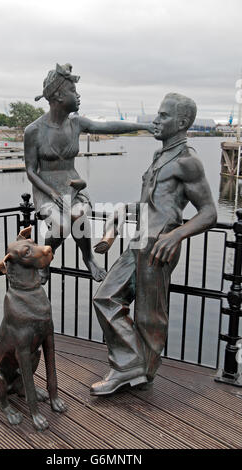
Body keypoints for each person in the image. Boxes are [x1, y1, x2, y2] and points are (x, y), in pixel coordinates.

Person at [90, 92, 217, 396]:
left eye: (163, 116)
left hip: (159, 244)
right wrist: (123, 211)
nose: (156, 121)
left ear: (182, 122)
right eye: (157, 115)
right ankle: (133, 363)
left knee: (149, 315)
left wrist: (176, 235)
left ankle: (134, 369)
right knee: (105, 297)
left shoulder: (189, 162)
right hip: (139, 239)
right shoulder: (160, 156)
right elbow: (152, 204)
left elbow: (209, 212)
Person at [24, 63, 153, 283]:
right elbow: (30, 171)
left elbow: (108, 126)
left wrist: (144, 126)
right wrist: (53, 194)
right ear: (58, 96)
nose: (78, 95)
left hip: (73, 185)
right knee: (61, 226)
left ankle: (89, 259)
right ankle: (44, 260)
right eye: (73, 91)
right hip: (46, 189)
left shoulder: (77, 123)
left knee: (78, 216)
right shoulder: (34, 131)